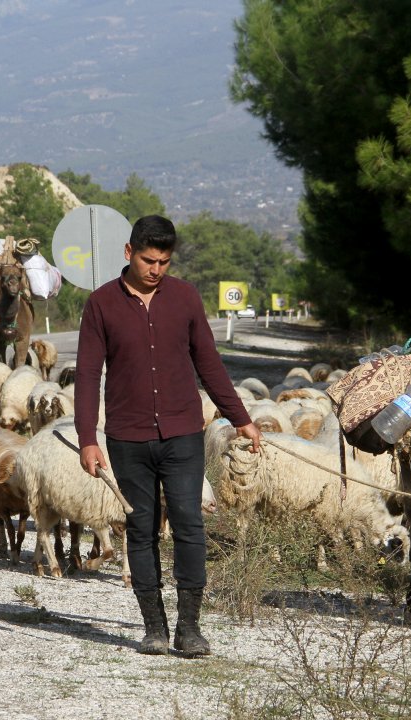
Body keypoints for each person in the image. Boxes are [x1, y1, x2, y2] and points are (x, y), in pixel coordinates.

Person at [74, 215, 262, 657]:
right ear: (128, 252)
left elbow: (209, 364)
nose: (156, 269)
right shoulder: (101, 304)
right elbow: (86, 374)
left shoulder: (185, 298)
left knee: (189, 526)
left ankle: (190, 629)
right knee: (140, 529)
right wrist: (87, 436)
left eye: (163, 261)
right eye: (147, 260)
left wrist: (241, 417)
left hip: (182, 434)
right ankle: (154, 628)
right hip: (127, 437)